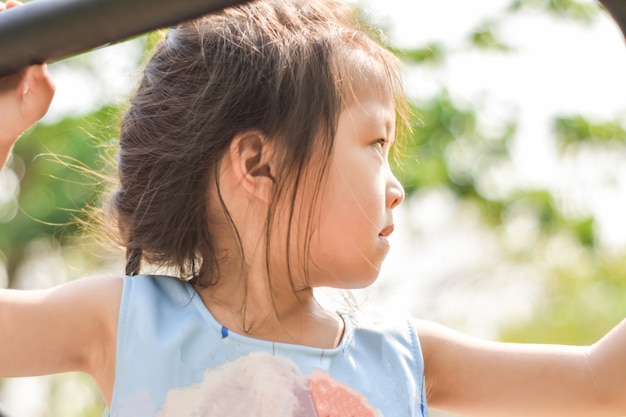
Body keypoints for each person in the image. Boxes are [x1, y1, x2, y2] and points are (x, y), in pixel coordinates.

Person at [1, 0, 625, 416]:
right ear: (258, 165)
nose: (396, 184)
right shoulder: (126, 323)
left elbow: (601, 383)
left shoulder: (403, 356)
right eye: (376, 144)